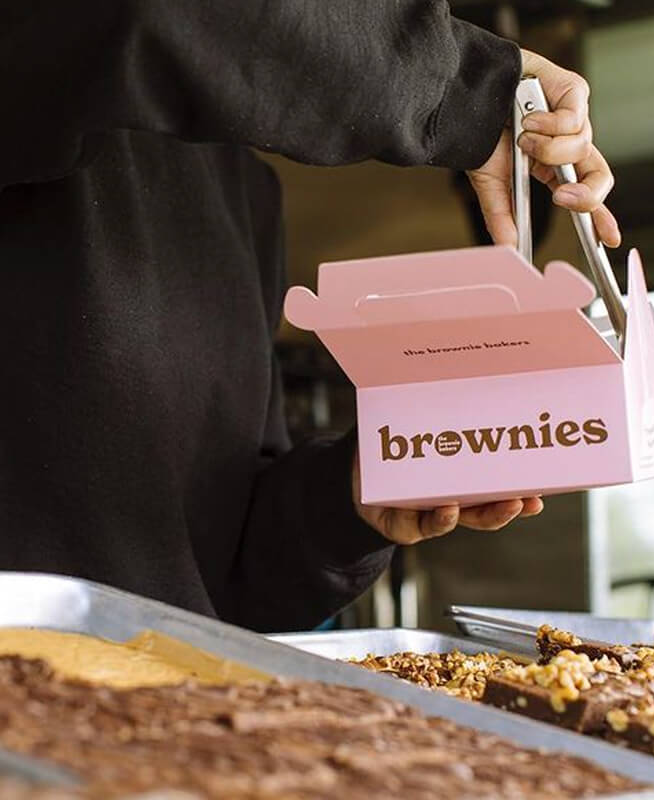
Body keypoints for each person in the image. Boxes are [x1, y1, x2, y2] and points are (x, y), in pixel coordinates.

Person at [0, 2, 619, 632]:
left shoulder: (245, 189)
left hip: (153, 702)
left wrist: (353, 499)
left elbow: (228, 581)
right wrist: (469, 91)